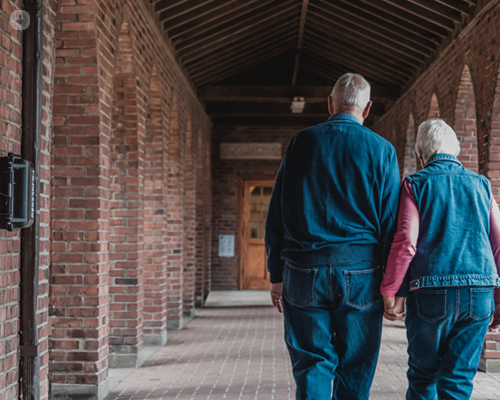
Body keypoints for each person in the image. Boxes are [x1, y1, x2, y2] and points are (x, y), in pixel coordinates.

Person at [265, 72, 401, 400]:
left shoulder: (302, 142)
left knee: (312, 363)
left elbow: (277, 212)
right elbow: (391, 224)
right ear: (367, 109)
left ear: (330, 103)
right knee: (356, 364)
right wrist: (391, 285)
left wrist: (276, 274)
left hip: (302, 269)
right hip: (361, 272)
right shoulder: (382, 150)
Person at [381, 119, 500, 400]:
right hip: (479, 292)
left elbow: (406, 241)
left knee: (423, 377)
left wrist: (390, 289)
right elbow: (498, 244)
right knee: (458, 378)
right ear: (456, 150)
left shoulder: (414, 184)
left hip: (431, 292)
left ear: (421, 155)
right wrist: (498, 295)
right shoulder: (482, 185)